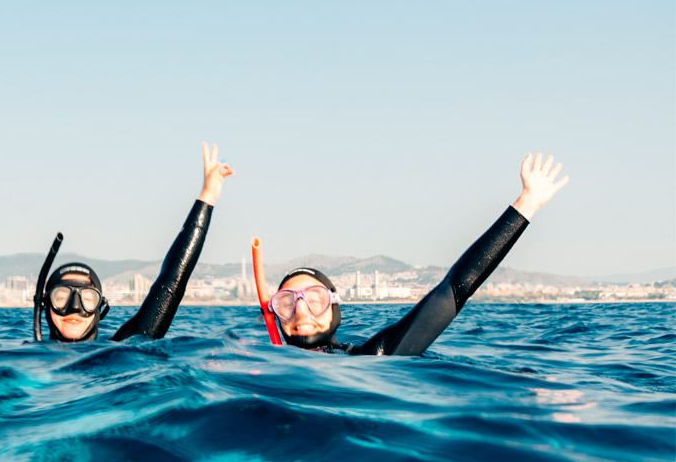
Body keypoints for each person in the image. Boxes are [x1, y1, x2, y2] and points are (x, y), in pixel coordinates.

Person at [264, 153, 569, 355]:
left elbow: (452, 290)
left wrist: (526, 205)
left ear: (335, 306)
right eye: (287, 303)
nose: (301, 313)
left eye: (314, 299)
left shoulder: (374, 357)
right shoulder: (255, 365)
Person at [33, 142, 234, 343]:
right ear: (44, 304)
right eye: (61, 298)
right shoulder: (24, 360)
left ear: (100, 308)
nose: (74, 308)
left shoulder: (118, 349)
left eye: (87, 299)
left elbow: (171, 284)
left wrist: (207, 198)